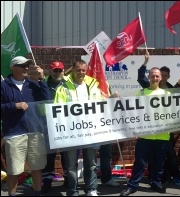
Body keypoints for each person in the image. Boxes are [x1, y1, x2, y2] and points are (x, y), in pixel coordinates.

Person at [1, 56, 51, 196]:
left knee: (37, 167)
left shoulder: (33, 84)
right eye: (22, 66)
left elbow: (47, 100)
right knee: (14, 170)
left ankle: (37, 193)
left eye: (27, 66)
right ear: (13, 67)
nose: (26, 68)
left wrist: (42, 79)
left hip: (35, 131)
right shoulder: (4, 86)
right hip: (14, 133)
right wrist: (14, 106)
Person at [54, 60, 103, 196]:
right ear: (73, 70)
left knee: (91, 163)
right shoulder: (63, 87)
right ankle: (72, 190)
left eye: (83, 70)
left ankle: (91, 189)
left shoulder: (93, 86)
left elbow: (99, 107)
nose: (80, 72)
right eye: (78, 70)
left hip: (90, 130)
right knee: (70, 165)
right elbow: (58, 108)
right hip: (71, 131)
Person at [119, 67, 171, 196]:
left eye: (157, 76)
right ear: (149, 77)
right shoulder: (141, 93)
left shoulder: (167, 94)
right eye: (152, 76)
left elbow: (172, 114)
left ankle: (155, 182)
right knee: (140, 162)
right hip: (145, 135)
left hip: (162, 135)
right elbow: (135, 113)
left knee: (159, 162)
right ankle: (133, 185)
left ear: (160, 78)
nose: (155, 78)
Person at [137, 51, 180, 185]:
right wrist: (145, 63)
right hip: (149, 130)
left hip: (165, 130)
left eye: (164, 75)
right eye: (159, 75)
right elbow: (140, 77)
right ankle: (155, 179)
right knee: (153, 157)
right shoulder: (148, 86)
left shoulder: (170, 89)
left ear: (168, 76)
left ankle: (174, 176)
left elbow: (178, 102)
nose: (161, 77)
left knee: (169, 154)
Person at [41, 61, 68, 193]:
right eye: (55, 70)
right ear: (50, 71)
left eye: (60, 70)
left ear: (63, 71)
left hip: (66, 125)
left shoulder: (68, 84)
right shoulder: (43, 84)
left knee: (66, 155)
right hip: (47, 125)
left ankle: (68, 180)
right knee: (49, 156)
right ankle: (47, 182)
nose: (57, 73)